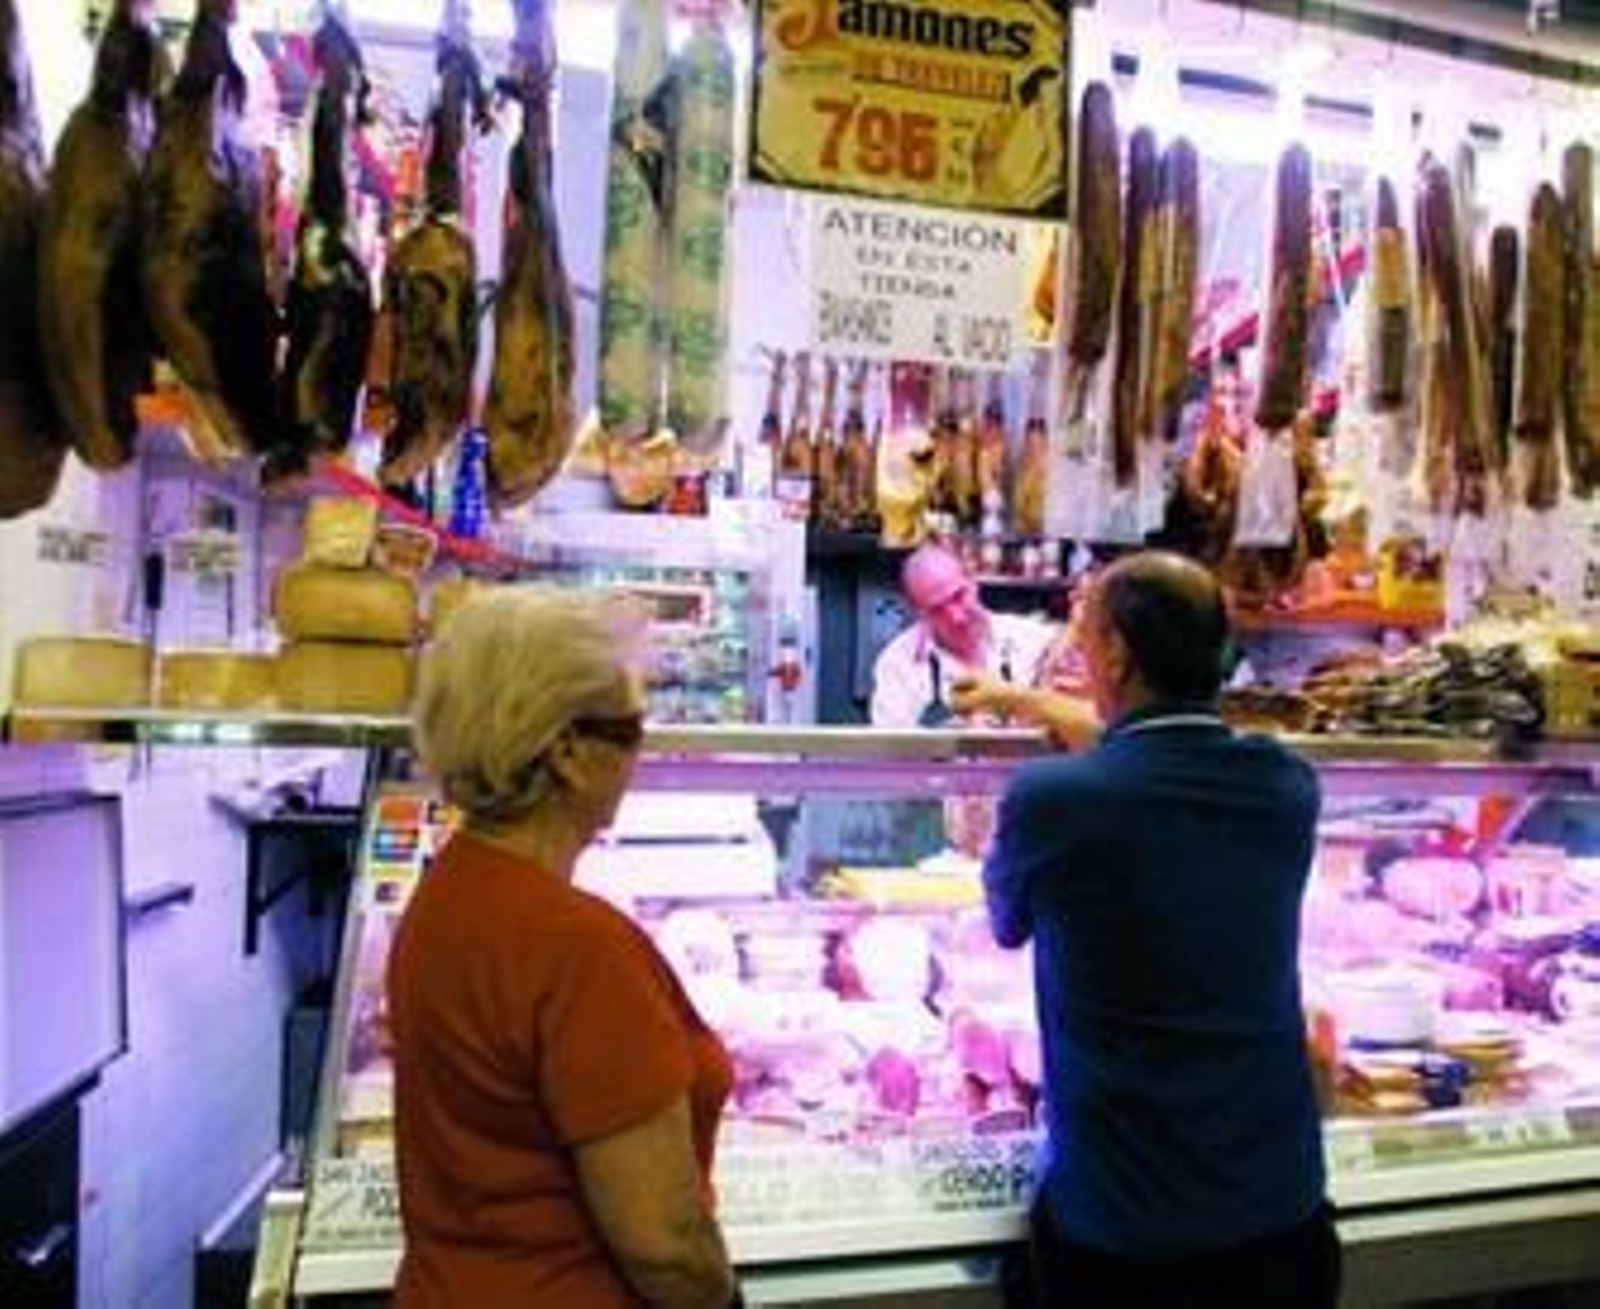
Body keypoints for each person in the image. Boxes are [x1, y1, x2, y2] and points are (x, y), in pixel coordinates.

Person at [956, 551, 1338, 1309]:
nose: (1079, 652)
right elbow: (1167, 756)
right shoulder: (1286, 785)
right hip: (1282, 1220)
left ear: (1118, 654)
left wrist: (1034, 711)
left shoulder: (1052, 798)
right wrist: (1033, 703)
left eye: (1085, 635)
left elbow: (1006, 924)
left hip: (1125, 1233)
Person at [388, 587, 740, 1308]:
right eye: (633, 728)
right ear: (569, 752)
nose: (641, 752)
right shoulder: (576, 946)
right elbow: (665, 1244)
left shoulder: (446, 891)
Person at [869, 540, 1057, 728]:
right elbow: (889, 751)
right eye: (937, 609)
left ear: (972, 580)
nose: (956, 617)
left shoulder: (1029, 637)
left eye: (958, 596)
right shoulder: (897, 664)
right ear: (920, 612)